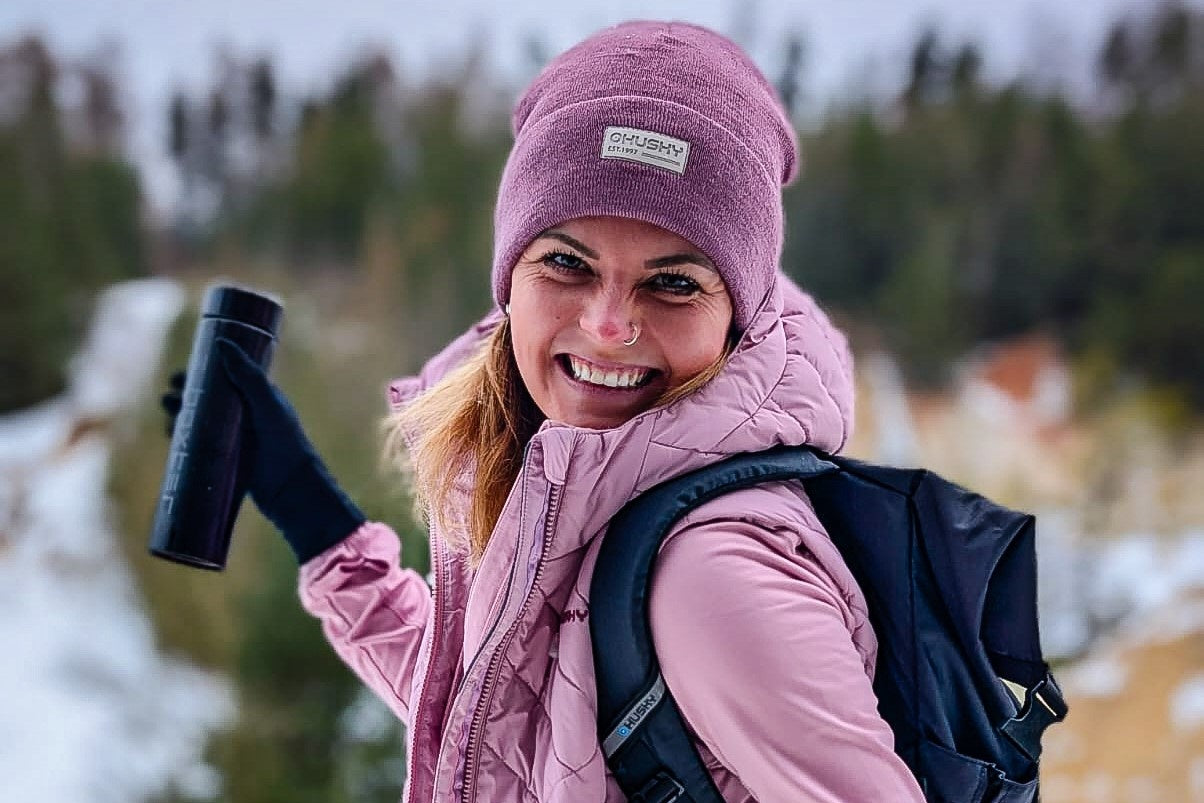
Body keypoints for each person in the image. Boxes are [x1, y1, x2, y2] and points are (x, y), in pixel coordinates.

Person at [205, 20, 928, 803]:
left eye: (674, 282)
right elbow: (512, 732)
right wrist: (313, 515)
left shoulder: (710, 575)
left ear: (737, 318)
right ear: (510, 282)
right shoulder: (585, 489)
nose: (609, 324)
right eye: (565, 262)